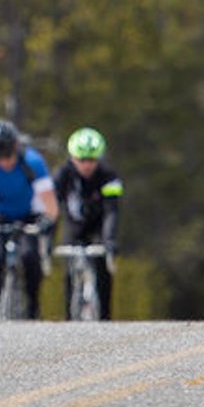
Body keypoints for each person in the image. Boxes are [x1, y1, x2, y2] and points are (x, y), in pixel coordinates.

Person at [0, 119, 59, 319]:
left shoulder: (33, 161)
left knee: (29, 256)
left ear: (16, 146)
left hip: (29, 212)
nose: (5, 161)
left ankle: (33, 309)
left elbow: (50, 203)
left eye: (8, 154)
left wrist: (47, 221)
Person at [54, 126, 123, 320]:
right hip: (73, 227)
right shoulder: (62, 174)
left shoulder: (109, 176)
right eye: (81, 159)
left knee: (102, 270)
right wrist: (48, 236)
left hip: (99, 227)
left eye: (92, 159)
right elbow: (52, 207)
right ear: (72, 157)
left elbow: (112, 211)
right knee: (69, 271)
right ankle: (69, 318)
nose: (87, 165)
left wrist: (109, 239)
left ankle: (105, 318)